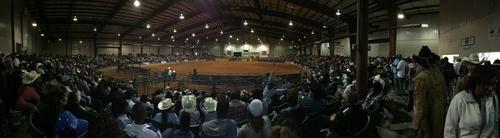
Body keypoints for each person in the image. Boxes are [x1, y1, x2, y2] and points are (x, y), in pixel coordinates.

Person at [444, 65, 499, 138]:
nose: (491, 88)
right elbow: (449, 131)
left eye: (493, 84)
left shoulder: (493, 99)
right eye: (487, 84)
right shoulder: (460, 100)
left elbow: (494, 127)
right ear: (477, 82)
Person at [412, 46, 446, 138]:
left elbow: (420, 107)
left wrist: (416, 127)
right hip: (440, 119)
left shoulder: (421, 78)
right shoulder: (438, 73)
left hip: (428, 123)